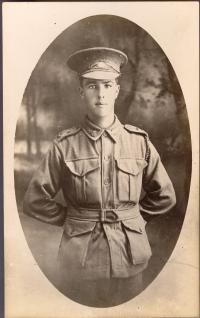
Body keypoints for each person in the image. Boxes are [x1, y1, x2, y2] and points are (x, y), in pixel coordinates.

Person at [23, 47, 176, 307]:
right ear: (81, 91)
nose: (101, 94)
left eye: (107, 85)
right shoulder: (64, 145)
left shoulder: (139, 142)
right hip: (79, 263)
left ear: (117, 89)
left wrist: (133, 221)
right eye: (92, 86)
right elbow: (34, 200)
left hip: (130, 259)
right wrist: (74, 220)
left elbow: (165, 196)